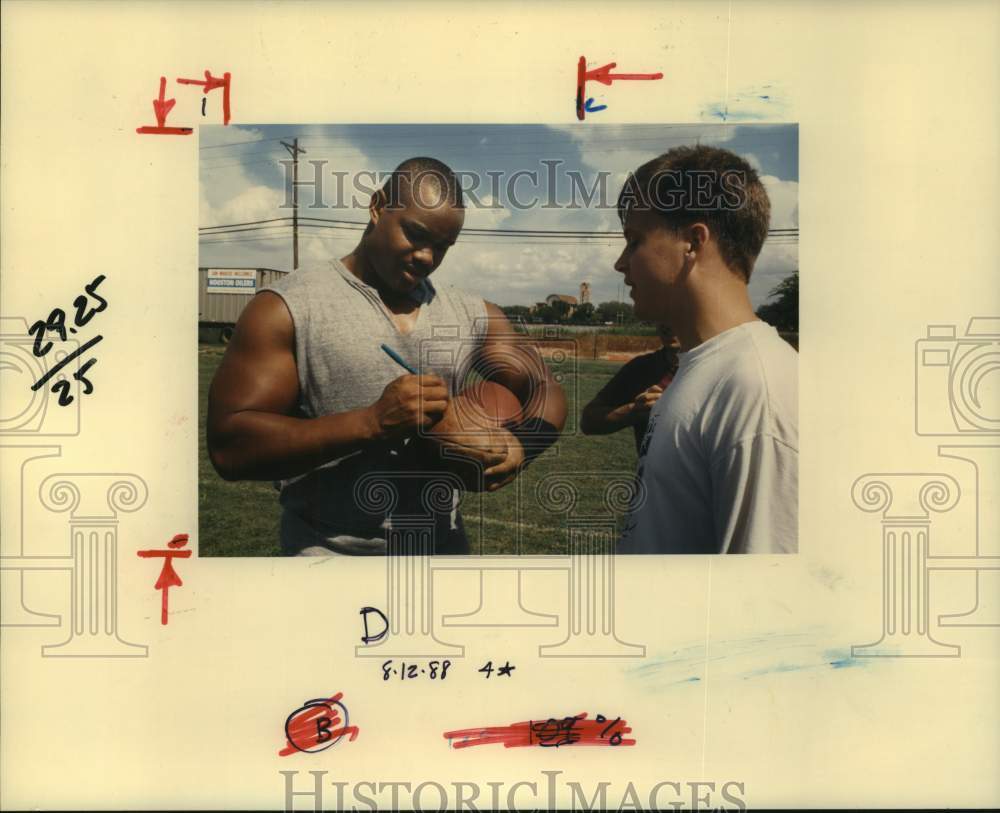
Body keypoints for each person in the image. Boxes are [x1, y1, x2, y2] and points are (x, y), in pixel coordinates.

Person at [207, 157, 566, 556]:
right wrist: (371, 422)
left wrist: (523, 445)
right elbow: (229, 447)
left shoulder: (469, 312)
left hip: (442, 548)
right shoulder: (289, 306)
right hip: (330, 556)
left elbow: (543, 384)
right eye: (416, 234)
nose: (427, 257)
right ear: (378, 206)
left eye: (442, 247)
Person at [613, 145, 798, 554]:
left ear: (693, 243)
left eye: (634, 241)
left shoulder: (754, 388)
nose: (621, 263)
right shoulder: (707, 367)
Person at [580, 323, 680, 452]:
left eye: (679, 314)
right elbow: (588, 422)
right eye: (661, 316)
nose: (667, 323)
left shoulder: (707, 370)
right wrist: (633, 410)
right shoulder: (642, 368)